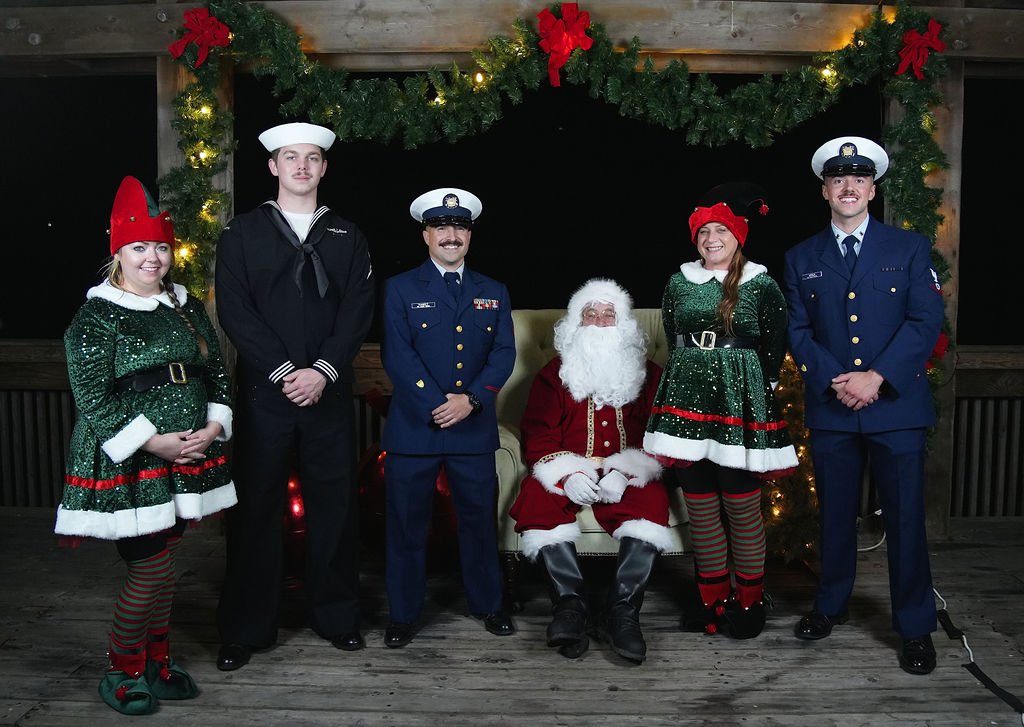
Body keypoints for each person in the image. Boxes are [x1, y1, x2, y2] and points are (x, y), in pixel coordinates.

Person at [56, 176, 236, 715]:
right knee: (151, 567)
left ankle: (158, 658)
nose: (153, 258)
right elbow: (91, 395)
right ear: (118, 253)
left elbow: (216, 373)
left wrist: (213, 425)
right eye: (139, 248)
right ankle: (122, 667)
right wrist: (153, 442)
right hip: (133, 461)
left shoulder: (185, 306)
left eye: (160, 246)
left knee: (169, 557)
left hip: (189, 455)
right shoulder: (97, 315)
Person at [214, 122, 375, 669]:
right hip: (266, 394)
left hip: (327, 395)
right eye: (290, 157)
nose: (301, 167)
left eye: (311, 158)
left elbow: (357, 311)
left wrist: (323, 371)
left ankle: (337, 617)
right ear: (273, 166)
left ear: (324, 168)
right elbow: (236, 312)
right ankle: (246, 628)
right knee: (256, 510)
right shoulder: (241, 233)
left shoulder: (348, 236)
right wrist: (285, 371)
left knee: (334, 508)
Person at [782, 136, 945, 675]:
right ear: (824, 190)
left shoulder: (909, 248)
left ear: (871, 190)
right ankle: (830, 605)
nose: (847, 188)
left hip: (895, 407)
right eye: (837, 180)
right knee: (834, 518)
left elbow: (925, 322)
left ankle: (916, 627)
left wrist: (876, 377)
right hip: (833, 409)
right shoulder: (801, 256)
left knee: (904, 522)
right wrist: (838, 381)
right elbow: (799, 331)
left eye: (858, 180)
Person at [643, 182, 798, 640]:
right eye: (704, 232)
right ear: (696, 239)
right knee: (701, 504)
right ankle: (710, 598)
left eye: (721, 231)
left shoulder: (761, 284)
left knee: (741, 503)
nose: (712, 239)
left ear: (738, 236)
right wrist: (688, 374)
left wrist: (758, 391)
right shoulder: (678, 281)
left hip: (739, 398)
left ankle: (748, 600)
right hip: (688, 398)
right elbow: (673, 334)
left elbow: (773, 344)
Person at [509, 278, 674, 664]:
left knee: (651, 499)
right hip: (571, 467)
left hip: (626, 474)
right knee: (537, 495)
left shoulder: (647, 374)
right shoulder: (555, 374)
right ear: (576, 324)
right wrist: (567, 475)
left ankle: (623, 612)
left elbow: (660, 432)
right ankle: (570, 606)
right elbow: (538, 433)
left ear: (623, 325)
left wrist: (627, 471)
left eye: (608, 315)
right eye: (590, 314)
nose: (599, 323)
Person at [380, 186, 515, 648]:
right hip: (414, 429)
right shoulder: (399, 289)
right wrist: (438, 404)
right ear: (426, 235)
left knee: (479, 523)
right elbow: (398, 357)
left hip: (473, 430)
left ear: (469, 236)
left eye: (459, 227)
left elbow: (503, 354)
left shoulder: (493, 291)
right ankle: (402, 614)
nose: (451, 235)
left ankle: (488, 604)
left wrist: (471, 400)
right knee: (406, 526)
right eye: (442, 227)